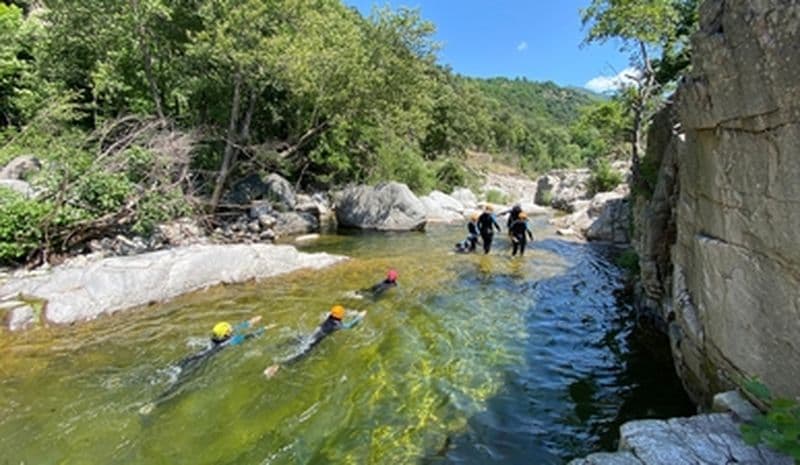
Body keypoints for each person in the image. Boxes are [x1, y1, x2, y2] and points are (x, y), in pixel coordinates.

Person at [139, 316, 267, 414]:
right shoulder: (228, 343)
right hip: (200, 363)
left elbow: (236, 329)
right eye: (230, 331)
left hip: (190, 358)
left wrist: (251, 321)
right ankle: (155, 403)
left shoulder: (213, 339)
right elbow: (249, 336)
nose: (232, 331)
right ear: (227, 335)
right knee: (179, 384)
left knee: (168, 371)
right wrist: (264, 329)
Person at [264, 305, 366, 378]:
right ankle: (277, 366)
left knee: (297, 340)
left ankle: (273, 347)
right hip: (315, 340)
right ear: (340, 316)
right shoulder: (336, 325)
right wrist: (359, 317)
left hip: (311, 334)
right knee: (301, 355)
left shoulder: (330, 317)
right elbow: (349, 326)